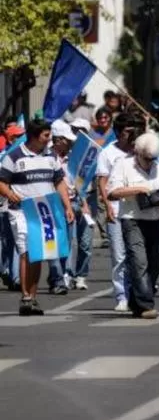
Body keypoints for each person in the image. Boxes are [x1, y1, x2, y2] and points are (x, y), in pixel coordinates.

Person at [0, 119, 75, 316]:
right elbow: (1, 181)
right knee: (25, 251)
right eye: (45, 135)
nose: (49, 139)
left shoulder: (51, 156)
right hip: (21, 211)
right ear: (34, 136)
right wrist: (10, 194)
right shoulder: (14, 156)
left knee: (39, 254)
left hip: (45, 212)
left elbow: (59, 182)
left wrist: (67, 206)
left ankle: (32, 298)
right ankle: (25, 297)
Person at [107, 132, 159, 319]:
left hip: (156, 220)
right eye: (146, 158)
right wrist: (139, 190)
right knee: (138, 261)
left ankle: (136, 301)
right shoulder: (123, 164)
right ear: (137, 153)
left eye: (153, 158)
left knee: (156, 263)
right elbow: (112, 192)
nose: (150, 162)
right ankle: (146, 304)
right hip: (132, 219)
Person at [97, 113, 139, 312]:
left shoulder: (139, 150)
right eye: (126, 132)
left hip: (137, 210)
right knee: (119, 255)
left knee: (137, 254)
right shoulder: (107, 153)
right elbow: (102, 182)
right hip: (115, 210)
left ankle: (137, 292)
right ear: (118, 133)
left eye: (133, 131)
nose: (130, 136)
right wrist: (107, 207)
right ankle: (121, 295)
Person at [47, 120, 79, 294]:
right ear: (57, 140)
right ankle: (56, 275)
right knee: (53, 241)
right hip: (51, 203)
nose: (70, 142)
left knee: (69, 240)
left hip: (70, 202)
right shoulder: (46, 157)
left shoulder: (72, 157)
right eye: (66, 139)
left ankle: (65, 274)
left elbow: (77, 181)